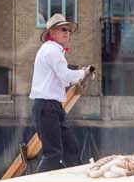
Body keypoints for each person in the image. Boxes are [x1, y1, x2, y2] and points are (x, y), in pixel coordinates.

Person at [30, 12, 90, 173]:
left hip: (52, 107)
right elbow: (66, 76)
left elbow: (63, 81)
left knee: (70, 148)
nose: (67, 33)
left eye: (69, 30)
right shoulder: (52, 51)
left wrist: (78, 76)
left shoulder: (52, 51)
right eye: (63, 29)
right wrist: (83, 73)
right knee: (53, 153)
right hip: (47, 106)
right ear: (52, 33)